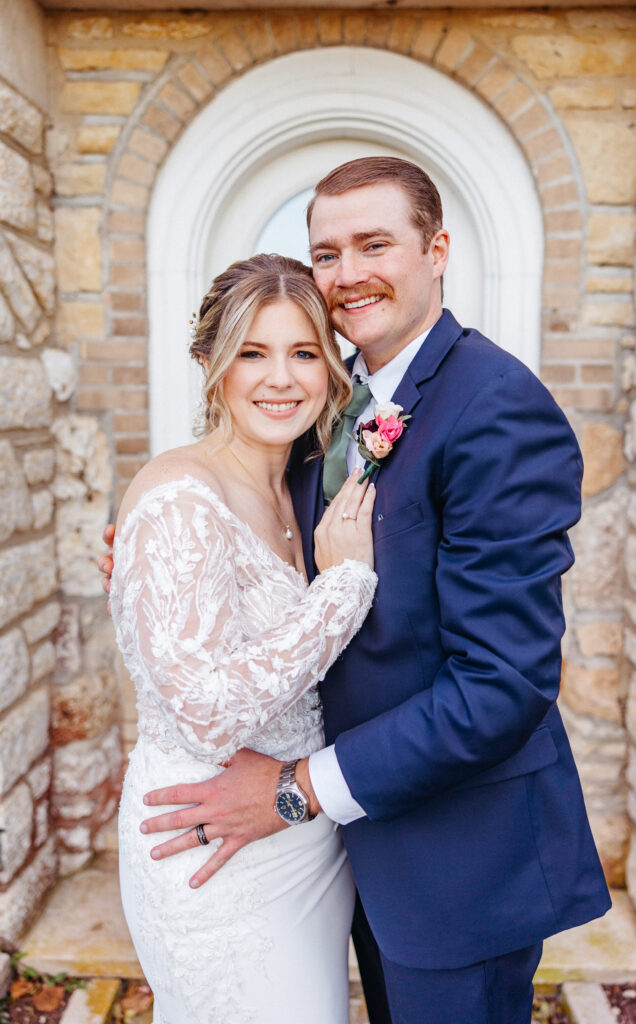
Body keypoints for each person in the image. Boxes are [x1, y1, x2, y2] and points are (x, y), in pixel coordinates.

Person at [102, 157, 611, 1024]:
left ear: (438, 248)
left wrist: (300, 788)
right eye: (326, 252)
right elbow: (251, 547)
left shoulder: (496, 410)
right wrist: (157, 555)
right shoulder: (329, 401)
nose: (346, 274)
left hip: (453, 858)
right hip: (340, 852)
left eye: (374, 243)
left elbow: (504, 684)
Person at [108, 253, 379, 1024]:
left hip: (300, 833)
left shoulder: (302, 482)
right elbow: (206, 711)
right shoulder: (178, 499)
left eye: (302, 353)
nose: (280, 379)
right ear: (209, 363)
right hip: (208, 839)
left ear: (330, 368)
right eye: (252, 353)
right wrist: (345, 588)